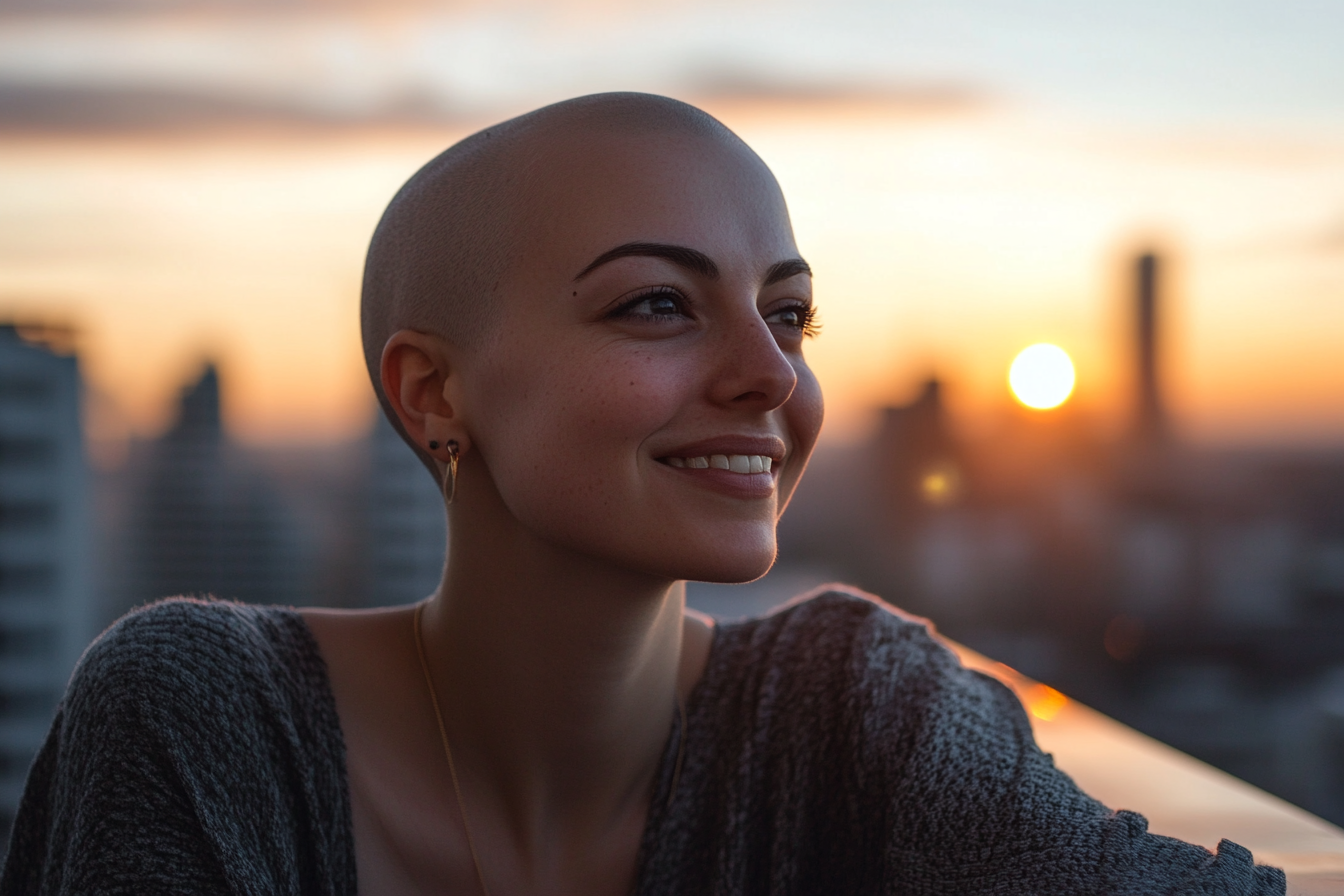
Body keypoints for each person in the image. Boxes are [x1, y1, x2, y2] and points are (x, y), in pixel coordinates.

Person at [1, 93, 1286, 895]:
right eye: (657, 303)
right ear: (433, 393)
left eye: (790, 313)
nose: (769, 372)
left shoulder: (854, 708)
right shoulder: (198, 714)